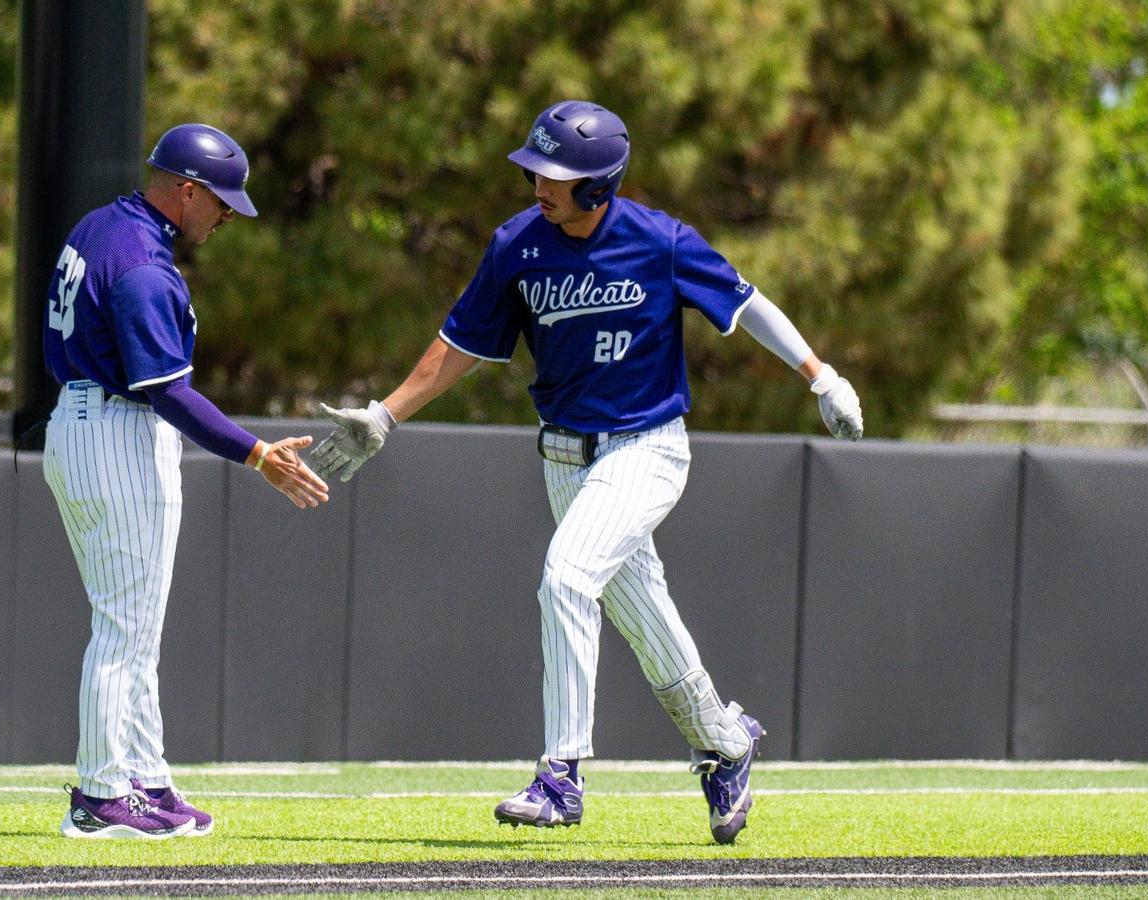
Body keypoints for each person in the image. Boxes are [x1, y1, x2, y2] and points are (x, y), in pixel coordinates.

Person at [311, 100, 862, 844]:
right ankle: (726, 743)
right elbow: (461, 343)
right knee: (644, 618)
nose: (539, 183)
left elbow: (747, 303)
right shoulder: (517, 245)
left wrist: (820, 376)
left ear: (599, 187)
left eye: (557, 174)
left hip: (647, 448)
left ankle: (561, 774)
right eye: (535, 168)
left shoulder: (659, 240)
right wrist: (385, 415)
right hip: (564, 458)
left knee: (567, 577)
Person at [41, 123, 330, 840]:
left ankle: (146, 780)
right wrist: (257, 455)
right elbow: (167, 391)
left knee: (135, 624)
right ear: (188, 190)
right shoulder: (141, 260)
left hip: (81, 424)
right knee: (125, 625)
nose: (228, 215)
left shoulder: (104, 224)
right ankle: (101, 794)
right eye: (222, 202)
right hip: (115, 431)